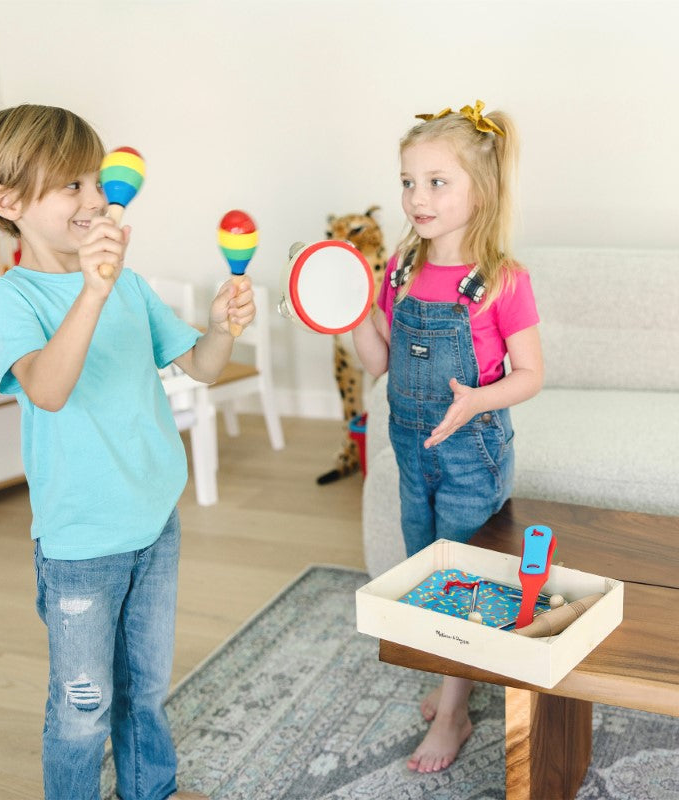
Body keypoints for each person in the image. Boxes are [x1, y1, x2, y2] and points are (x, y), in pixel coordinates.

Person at [0, 104, 253, 800]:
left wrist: (222, 328)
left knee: (146, 690)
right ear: (8, 202)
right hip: (81, 543)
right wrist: (89, 291)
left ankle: (151, 790)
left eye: (96, 181)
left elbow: (203, 367)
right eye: (71, 186)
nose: (96, 200)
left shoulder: (128, 284)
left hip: (155, 522)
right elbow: (49, 389)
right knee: (82, 710)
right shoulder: (11, 297)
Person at [352, 100, 543, 773]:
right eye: (408, 181)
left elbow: (530, 375)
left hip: (471, 454)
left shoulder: (500, 280)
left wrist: (477, 400)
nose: (417, 197)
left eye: (437, 182)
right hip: (413, 453)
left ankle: (456, 709)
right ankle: (454, 678)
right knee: (426, 569)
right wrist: (348, 317)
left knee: (460, 576)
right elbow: (379, 365)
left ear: (479, 190)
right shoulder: (400, 271)